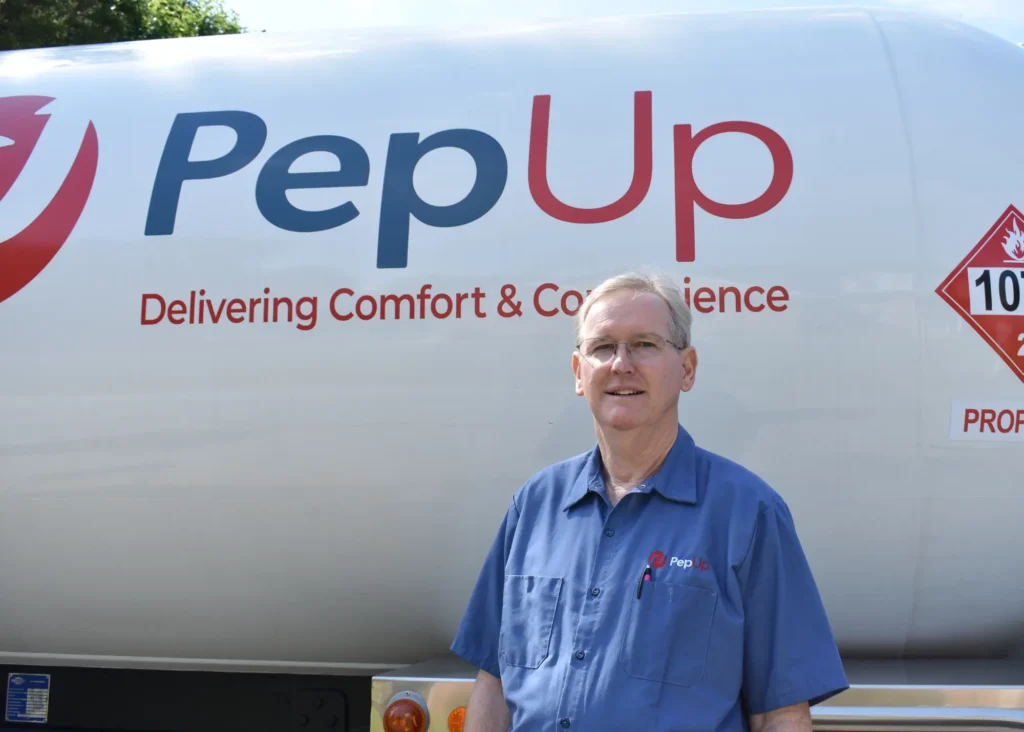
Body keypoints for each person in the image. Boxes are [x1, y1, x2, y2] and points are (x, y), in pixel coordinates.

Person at [449, 270, 849, 732]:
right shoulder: (534, 506)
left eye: (644, 344)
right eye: (602, 347)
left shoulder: (747, 514)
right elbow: (493, 687)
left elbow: (779, 713)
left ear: (688, 368)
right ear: (580, 374)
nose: (621, 364)